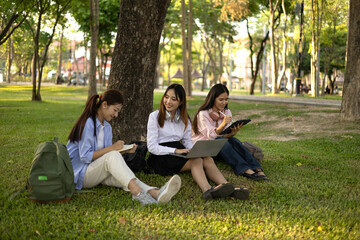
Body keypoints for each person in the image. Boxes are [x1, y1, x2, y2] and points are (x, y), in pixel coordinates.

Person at [66, 89, 181, 205]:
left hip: (96, 171)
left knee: (125, 177)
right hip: (81, 175)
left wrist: (124, 151)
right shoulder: (88, 123)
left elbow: (106, 157)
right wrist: (113, 148)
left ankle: (155, 192)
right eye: (115, 110)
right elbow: (85, 157)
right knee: (115, 159)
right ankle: (137, 193)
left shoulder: (107, 127)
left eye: (118, 112)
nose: (116, 115)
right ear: (104, 104)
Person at [147, 84, 249, 201]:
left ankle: (228, 187)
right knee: (196, 160)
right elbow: (152, 147)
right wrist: (176, 150)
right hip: (161, 156)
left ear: (181, 102)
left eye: (173, 99)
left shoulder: (184, 118)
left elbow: (187, 142)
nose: (168, 101)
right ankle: (207, 190)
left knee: (207, 158)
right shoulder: (154, 116)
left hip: (178, 150)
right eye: (166, 97)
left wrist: (196, 150)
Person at [192, 83, 270, 181]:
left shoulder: (226, 112)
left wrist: (232, 133)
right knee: (220, 140)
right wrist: (223, 124)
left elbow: (225, 136)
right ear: (213, 99)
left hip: (219, 149)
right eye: (221, 99)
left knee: (234, 140)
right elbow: (211, 137)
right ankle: (244, 169)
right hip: (205, 148)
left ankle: (257, 168)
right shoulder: (203, 114)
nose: (224, 102)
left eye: (226, 99)